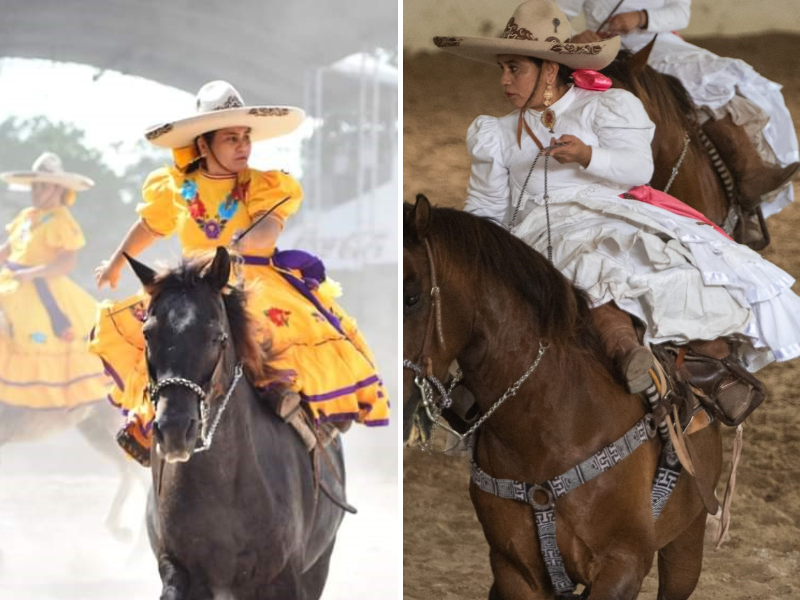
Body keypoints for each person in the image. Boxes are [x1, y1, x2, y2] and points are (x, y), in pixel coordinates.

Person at [432, 0, 800, 410]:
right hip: (535, 230)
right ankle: (614, 356)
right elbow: (487, 206)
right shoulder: (495, 134)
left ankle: (700, 363)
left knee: (668, 268)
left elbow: (639, 168)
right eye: (502, 68)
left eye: (514, 68)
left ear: (549, 69)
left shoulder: (604, 106)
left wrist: (589, 155)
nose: (504, 80)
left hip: (610, 213)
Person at [90, 81, 389, 465]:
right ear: (203, 144)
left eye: (245, 137)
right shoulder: (176, 187)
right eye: (231, 138)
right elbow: (150, 226)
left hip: (255, 280)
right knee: (156, 335)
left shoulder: (263, 185)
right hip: (193, 286)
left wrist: (242, 242)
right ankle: (152, 421)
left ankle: (302, 412)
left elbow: (268, 230)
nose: (243, 146)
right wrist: (116, 262)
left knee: (278, 330)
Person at [559, 0, 800, 218]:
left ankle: (749, 168)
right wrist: (576, 37)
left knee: (723, 77)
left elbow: (680, 12)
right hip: (606, 48)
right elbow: (558, 14)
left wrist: (642, 18)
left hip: (661, 42)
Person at [0, 152, 109, 410]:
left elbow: (66, 263)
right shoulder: (28, 216)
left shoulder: (61, 220)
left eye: (44, 185)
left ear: (58, 188)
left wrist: (34, 272)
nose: (37, 191)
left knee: (26, 333)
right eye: (35, 185)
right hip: (12, 280)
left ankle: (37, 400)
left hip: (42, 287)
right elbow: (7, 249)